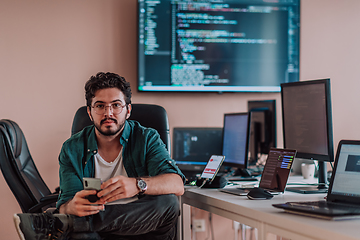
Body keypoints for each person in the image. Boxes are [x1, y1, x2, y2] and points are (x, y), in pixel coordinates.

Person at [14, 72, 186, 240]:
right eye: (100, 106)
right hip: (96, 234)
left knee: (169, 204)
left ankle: (65, 225)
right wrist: (71, 207)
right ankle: (77, 224)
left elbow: (177, 184)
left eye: (116, 105)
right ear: (90, 112)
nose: (108, 113)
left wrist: (137, 185)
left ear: (128, 111)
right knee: (78, 225)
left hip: (142, 228)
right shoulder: (72, 148)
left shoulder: (147, 138)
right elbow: (66, 203)